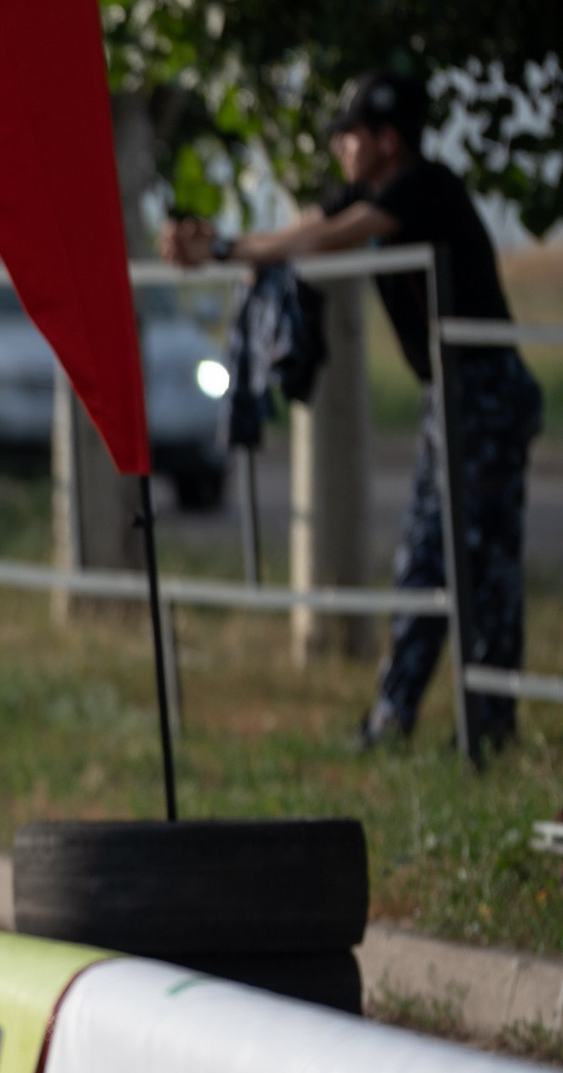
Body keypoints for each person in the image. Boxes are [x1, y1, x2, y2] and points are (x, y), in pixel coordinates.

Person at [162, 71, 544, 757]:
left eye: (351, 135)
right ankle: (394, 721)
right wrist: (223, 247)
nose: (339, 146)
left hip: (485, 391)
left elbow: (331, 239)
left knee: (481, 566)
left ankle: (489, 730)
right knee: (423, 560)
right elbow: (305, 228)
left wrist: (223, 251)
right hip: (446, 396)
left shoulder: (424, 188)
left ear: (388, 141)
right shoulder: (367, 192)